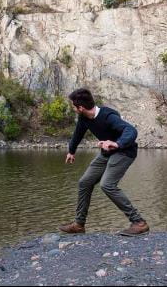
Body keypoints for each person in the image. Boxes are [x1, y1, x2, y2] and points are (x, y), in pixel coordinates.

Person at [58, 88, 149, 236]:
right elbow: (78, 133)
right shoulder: (84, 118)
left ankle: (139, 222)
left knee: (107, 185)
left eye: (73, 106)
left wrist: (117, 143)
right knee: (85, 182)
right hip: (106, 154)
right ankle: (79, 224)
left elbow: (131, 130)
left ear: (80, 107)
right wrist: (71, 151)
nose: (73, 109)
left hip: (124, 152)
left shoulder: (108, 116)